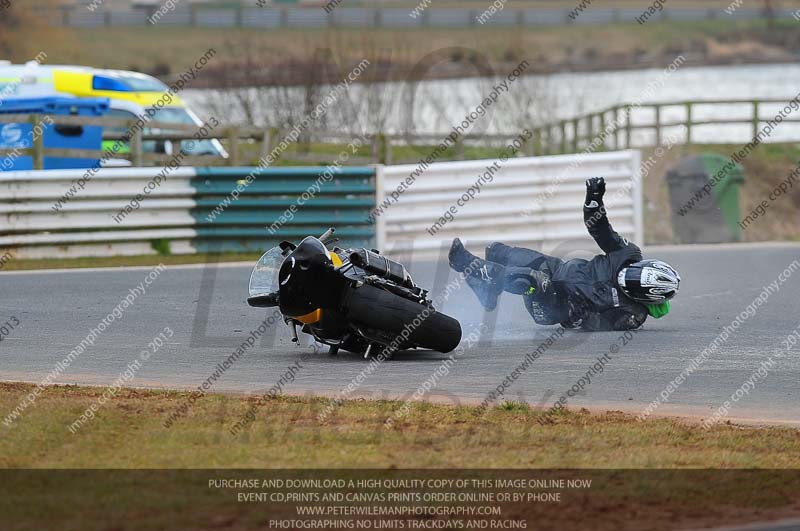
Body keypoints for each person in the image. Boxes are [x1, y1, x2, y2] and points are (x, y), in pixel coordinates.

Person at [448, 177, 680, 331]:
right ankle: (486, 290)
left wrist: (580, 316)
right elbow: (600, 229)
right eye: (634, 272)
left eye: (633, 285)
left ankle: (467, 264)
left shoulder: (633, 315)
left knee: (530, 280)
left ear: (645, 298)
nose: (627, 277)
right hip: (557, 268)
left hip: (557, 304)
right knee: (496, 251)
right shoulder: (627, 253)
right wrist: (594, 201)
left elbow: (598, 325)